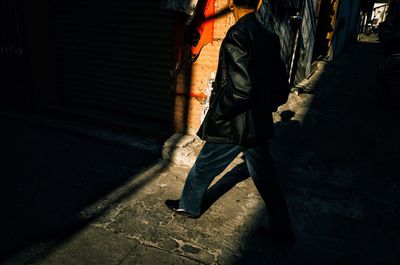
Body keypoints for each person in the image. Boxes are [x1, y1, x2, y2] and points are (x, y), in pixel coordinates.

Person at [166, 0, 293, 241]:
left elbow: (241, 90)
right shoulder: (270, 36)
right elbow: (281, 86)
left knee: (204, 166)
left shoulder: (238, 35)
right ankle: (282, 227)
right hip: (257, 122)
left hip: (235, 122)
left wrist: (218, 113)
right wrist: (266, 107)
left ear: (232, 2)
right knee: (266, 177)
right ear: (259, 3)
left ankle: (188, 206)